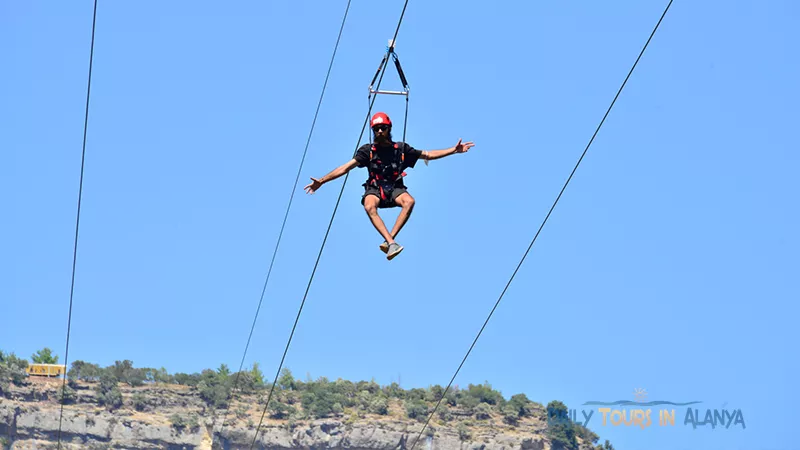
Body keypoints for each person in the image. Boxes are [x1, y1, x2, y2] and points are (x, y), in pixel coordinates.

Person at [304, 112, 475, 260]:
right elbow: (345, 167)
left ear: (389, 129)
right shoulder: (367, 151)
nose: (379, 132)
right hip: (375, 188)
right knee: (369, 205)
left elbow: (428, 155)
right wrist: (322, 180)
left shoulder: (400, 149)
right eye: (376, 129)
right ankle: (392, 243)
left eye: (383, 128)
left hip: (394, 188)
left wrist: (453, 150)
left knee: (410, 201)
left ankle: (389, 239)